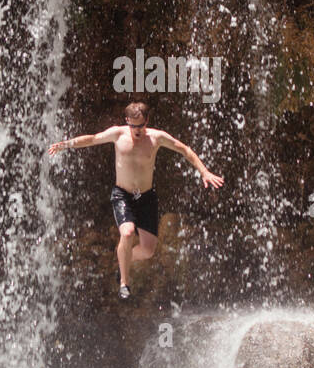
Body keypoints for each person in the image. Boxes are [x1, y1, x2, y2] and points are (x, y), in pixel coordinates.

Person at [48, 100, 224, 298]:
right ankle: (124, 282)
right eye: (132, 126)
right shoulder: (118, 134)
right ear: (127, 121)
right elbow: (92, 139)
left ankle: (124, 259)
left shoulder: (157, 138)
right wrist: (65, 144)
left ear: (146, 121)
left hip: (146, 197)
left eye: (140, 126)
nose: (136, 130)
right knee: (128, 231)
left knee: (148, 251)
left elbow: (185, 150)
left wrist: (204, 172)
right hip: (123, 195)